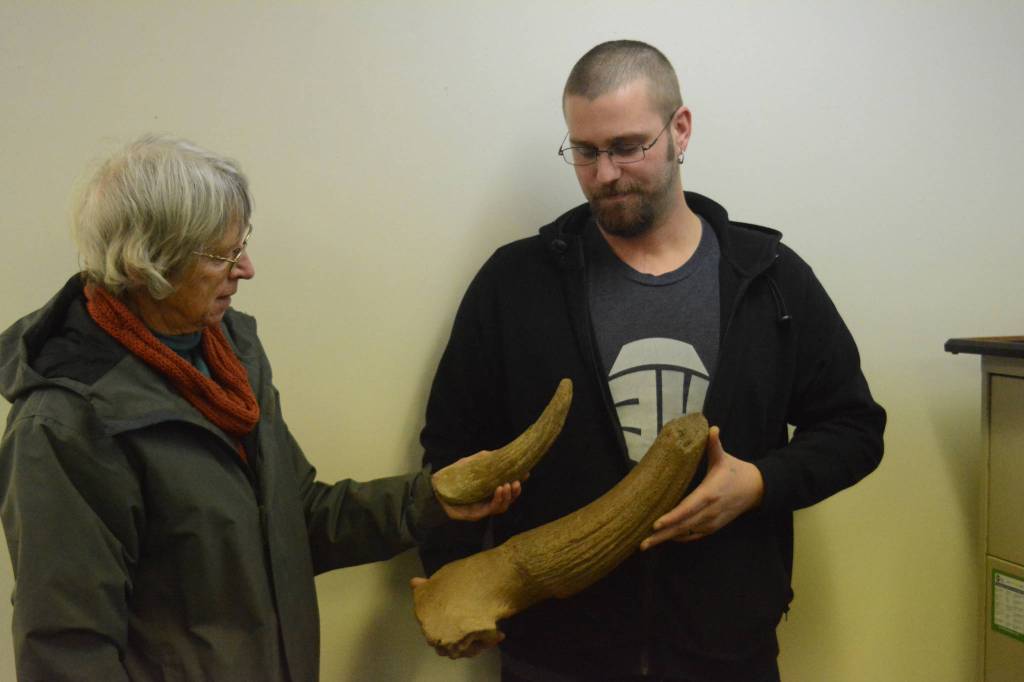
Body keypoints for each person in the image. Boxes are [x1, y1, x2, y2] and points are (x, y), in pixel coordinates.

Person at [418, 40, 886, 682]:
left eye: (628, 146)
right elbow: (450, 447)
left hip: (726, 655)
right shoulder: (513, 282)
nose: (605, 173)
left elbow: (855, 429)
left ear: (680, 130)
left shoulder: (773, 280)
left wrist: (760, 483)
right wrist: (457, 580)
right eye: (585, 151)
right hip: (555, 657)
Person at [0, 134, 522, 682]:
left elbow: (296, 521)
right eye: (220, 254)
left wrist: (432, 499)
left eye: (241, 243)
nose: (246, 267)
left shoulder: (229, 357)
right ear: (144, 262)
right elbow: (67, 650)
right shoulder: (65, 425)